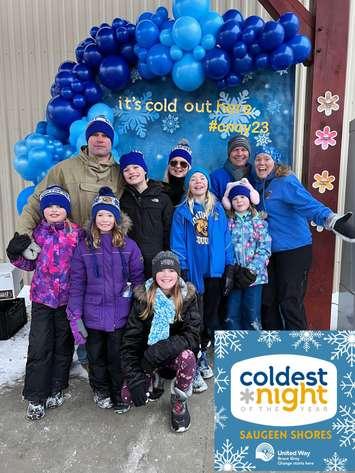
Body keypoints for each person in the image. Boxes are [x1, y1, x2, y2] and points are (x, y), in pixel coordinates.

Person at [251, 147, 355, 330]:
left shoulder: (285, 182)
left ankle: (299, 349)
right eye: (258, 159)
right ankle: (273, 347)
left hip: (294, 250)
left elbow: (308, 204)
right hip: (271, 253)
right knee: (268, 302)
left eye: (266, 158)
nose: (261, 163)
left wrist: (331, 220)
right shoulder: (260, 187)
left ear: (275, 161)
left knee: (290, 302)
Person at [6, 186, 82, 420]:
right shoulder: (37, 235)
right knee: (39, 346)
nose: (55, 210)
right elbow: (29, 265)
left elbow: (84, 265)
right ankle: (36, 396)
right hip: (42, 300)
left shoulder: (77, 234)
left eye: (59, 205)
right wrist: (15, 254)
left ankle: (57, 387)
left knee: (63, 345)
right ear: (43, 210)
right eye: (49, 206)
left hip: (67, 302)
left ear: (67, 210)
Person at [66, 187, 144, 412]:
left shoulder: (129, 246)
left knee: (116, 357)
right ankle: (100, 389)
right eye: (100, 214)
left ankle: (119, 391)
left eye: (109, 215)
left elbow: (137, 279)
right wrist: (76, 318)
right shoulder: (84, 248)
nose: (105, 219)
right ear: (93, 218)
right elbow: (77, 284)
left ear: (117, 219)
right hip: (92, 317)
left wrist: (137, 309)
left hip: (119, 316)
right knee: (96, 357)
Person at [121, 251, 200, 433]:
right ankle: (152, 377)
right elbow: (130, 342)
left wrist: (161, 349)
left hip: (170, 356)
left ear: (178, 273)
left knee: (188, 356)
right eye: (161, 270)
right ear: (154, 273)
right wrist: (135, 377)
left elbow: (193, 336)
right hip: (146, 359)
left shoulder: (188, 297)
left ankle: (178, 400)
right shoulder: (143, 299)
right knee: (128, 397)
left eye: (171, 270)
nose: (166, 275)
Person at [171, 167, 234, 392]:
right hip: (194, 273)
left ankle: (202, 354)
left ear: (207, 184)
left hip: (214, 273)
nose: (198, 182)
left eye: (202, 179)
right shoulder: (181, 211)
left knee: (210, 318)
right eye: (193, 179)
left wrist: (229, 265)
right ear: (189, 185)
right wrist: (183, 269)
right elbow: (177, 242)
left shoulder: (216, 209)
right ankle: (194, 364)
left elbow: (226, 239)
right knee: (193, 319)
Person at [14, 116, 124, 238]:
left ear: (111, 141)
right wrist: (22, 237)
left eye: (105, 135)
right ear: (87, 139)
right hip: (72, 250)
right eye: (95, 134)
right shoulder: (63, 169)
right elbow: (35, 204)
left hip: (110, 250)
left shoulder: (121, 173)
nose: (100, 139)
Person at [223, 182, 271, 330]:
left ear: (250, 199)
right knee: (231, 313)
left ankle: (252, 349)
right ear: (230, 203)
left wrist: (251, 270)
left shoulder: (259, 223)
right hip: (235, 277)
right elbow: (225, 247)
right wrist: (232, 270)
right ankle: (234, 347)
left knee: (252, 314)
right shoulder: (228, 223)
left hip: (254, 278)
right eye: (235, 198)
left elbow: (264, 248)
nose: (239, 201)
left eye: (242, 196)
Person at [119, 150, 173, 277]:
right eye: (126, 170)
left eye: (136, 167)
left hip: (156, 260)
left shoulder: (162, 197)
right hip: (130, 260)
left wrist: (167, 257)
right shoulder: (122, 199)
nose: (131, 171)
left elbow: (169, 230)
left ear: (145, 170)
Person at [210, 134, 252, 200]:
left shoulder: (254, 174)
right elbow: (211, 203)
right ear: (229, 154)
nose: (239, 154)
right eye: (235, 150)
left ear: (249, 154)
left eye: (243, 150)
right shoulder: (216, 177)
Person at [163, 139, 192, 206]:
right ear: (169, 166)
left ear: (188, 167)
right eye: (174, 163)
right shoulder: (159, 189)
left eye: (183, 164)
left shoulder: (194, 190)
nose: (178, 166)